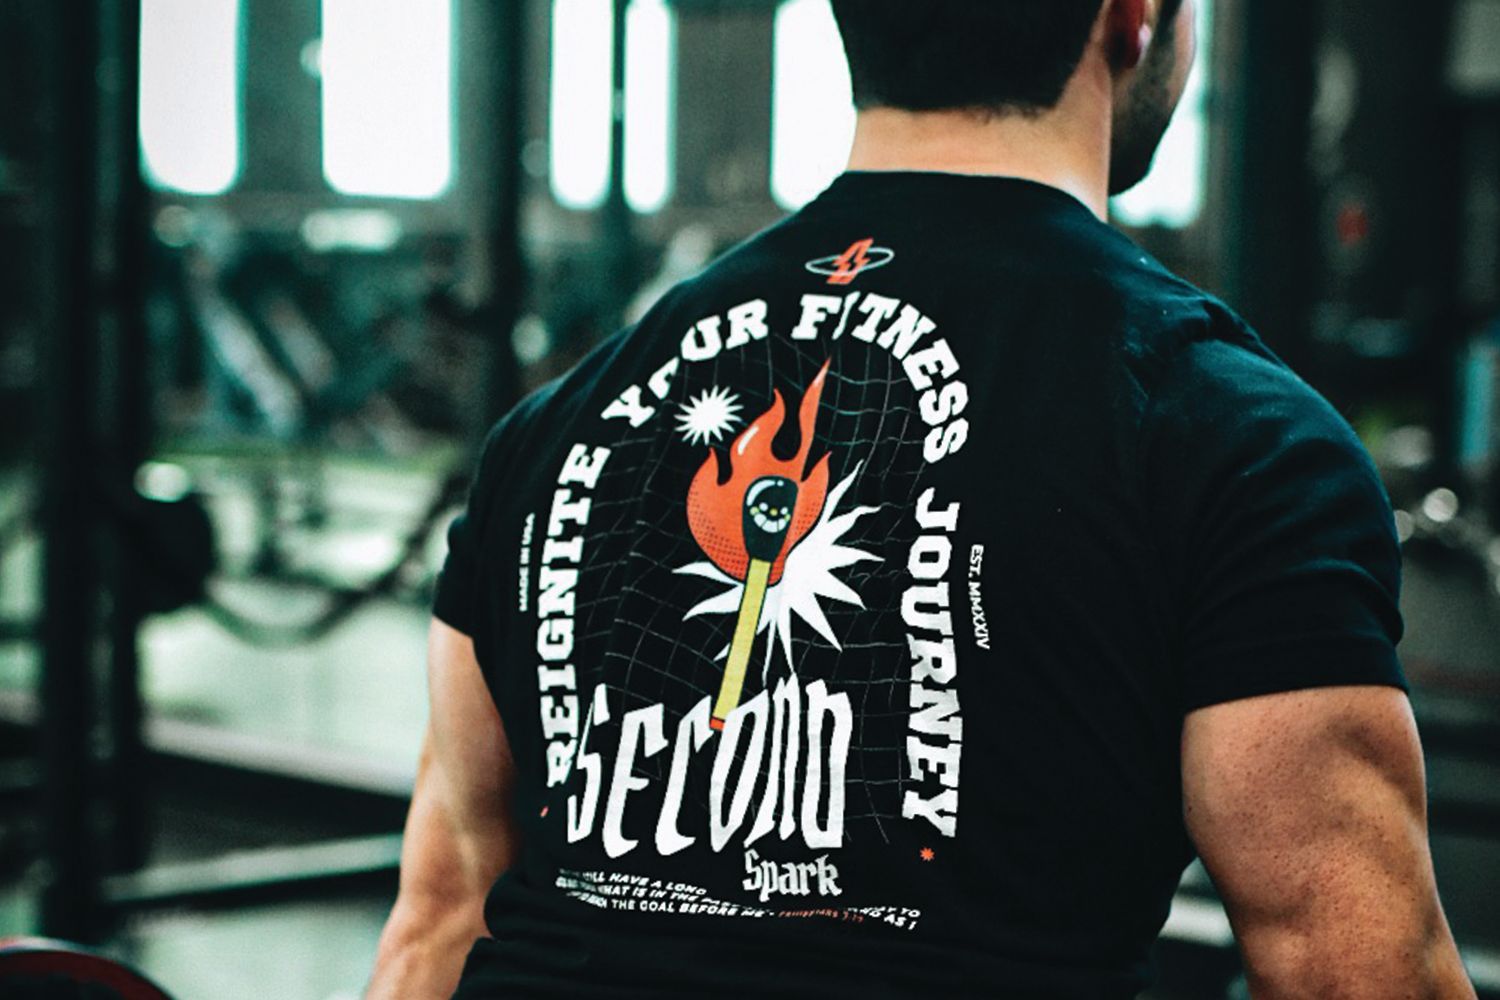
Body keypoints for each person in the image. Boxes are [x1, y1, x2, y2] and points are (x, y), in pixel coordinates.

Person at [366, 0, 1477, 996]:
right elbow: (1353, 975)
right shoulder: (1233, 438)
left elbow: (435, 927)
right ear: (1132, 17)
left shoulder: (552, 430)